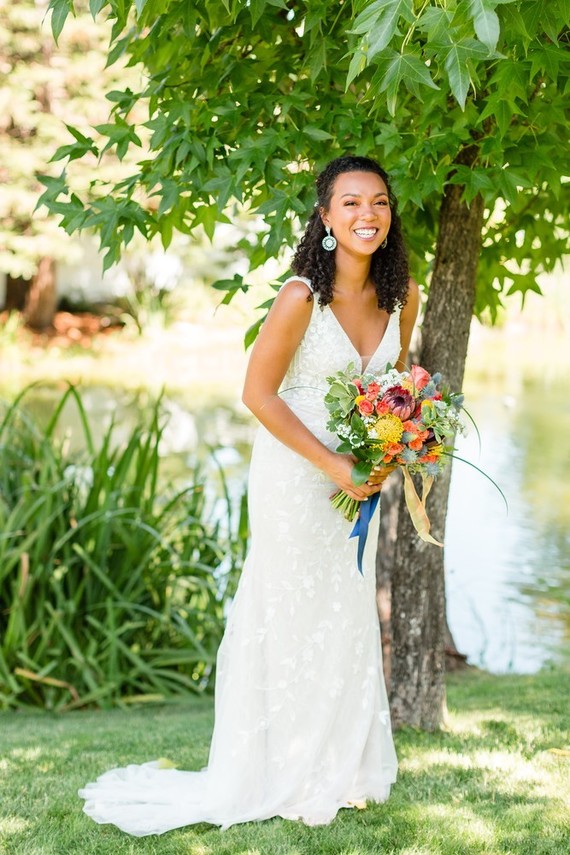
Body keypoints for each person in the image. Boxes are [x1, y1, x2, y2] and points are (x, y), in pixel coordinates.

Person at [78, 154, 420, 836]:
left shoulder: (403, 292)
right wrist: (332, 464)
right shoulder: (301, 297)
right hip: (298, 475)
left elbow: (396, 382)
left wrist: (392, 443)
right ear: (325, 218)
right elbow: (256, 394)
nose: (366, 215)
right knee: (290, 610)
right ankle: (280, 769)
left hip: (362, 477)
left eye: (378, 202)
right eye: (350, 203)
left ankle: (342, 769)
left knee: (347, 609)